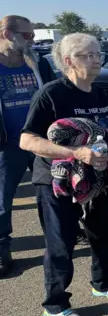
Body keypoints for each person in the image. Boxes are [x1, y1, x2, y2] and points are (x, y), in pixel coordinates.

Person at [20, 33, 108, 316]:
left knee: (103, 235)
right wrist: (75, 152)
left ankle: (103, 283)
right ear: (69, 61)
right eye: (88, 55)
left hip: (97, 180)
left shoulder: (98, 94)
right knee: (61, 243)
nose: (97, 59)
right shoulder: (51, 94)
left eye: (98, 53)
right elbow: (27, 140)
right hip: (56, 182)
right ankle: (55, 304)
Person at [0, 15, 56, 277]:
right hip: (5, 146)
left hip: (39, 140)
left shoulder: (37, 62)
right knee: (2, 201)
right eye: (27, 35)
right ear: (8, 34)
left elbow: (55, 93)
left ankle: (59, 236)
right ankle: (2, 248)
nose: (32, 40)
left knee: (54, 191)